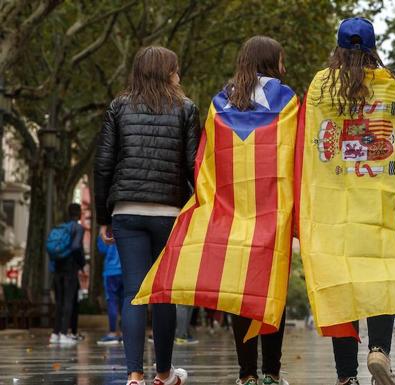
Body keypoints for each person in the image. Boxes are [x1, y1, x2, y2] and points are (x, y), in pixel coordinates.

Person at [131, 36, 298, 385]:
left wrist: (209, 203)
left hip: (232, 209)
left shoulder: (221, 101)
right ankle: (272, 372)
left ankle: (247, 374)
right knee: (270, 290)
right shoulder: (289, 100)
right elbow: (295, 155)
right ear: (271, 62)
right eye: (281, 60)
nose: (284, 67)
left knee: (241, 291)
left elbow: (205, 158)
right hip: (273, 209)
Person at [296, 18, 395, 385]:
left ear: (337, 47)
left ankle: (346, 377)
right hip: (380, 208)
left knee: (341, 292)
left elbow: (305, 143)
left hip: (333, 212)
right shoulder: (392, 87)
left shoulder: (320, 85)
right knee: (381, 281)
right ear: (372, 47)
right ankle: (379, 349)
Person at [95, 46, 200, 385]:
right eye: (177, 69)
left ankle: (134, 375)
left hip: (127, 209)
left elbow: (104, 164)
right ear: (168, 72)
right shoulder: (186, 109)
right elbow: (193, 165)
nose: (180, 75)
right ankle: (164, 373)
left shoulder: (118, 107)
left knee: (133, 292)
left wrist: (103, 216)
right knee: (164, 292)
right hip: (169, 211)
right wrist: (198, 208)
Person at [49, 203, 86, 345]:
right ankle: (64, 333)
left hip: (57, 268)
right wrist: (82, 264)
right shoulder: (78, 228)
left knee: (59, 302)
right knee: (68, 301)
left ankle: (55, 333)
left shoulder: (60, 228)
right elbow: (76, 247)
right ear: (79, 214)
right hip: (70, 269)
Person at [97, 235, 124, 346]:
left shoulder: (107, 232)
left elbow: (101, 249)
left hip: (110, 272)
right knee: (125, 302)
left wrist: (101, 233)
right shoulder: (128, 228)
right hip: (125, 271)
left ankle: (113, 332)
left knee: (112, 301)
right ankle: (124, 333)